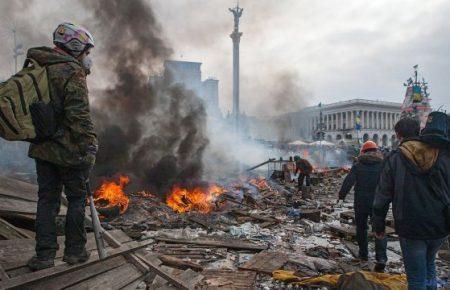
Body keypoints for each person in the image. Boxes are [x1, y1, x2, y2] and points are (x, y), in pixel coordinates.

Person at [26, 23, 98, 270]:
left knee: (47, 200)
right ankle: (75, 253)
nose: (88, 58)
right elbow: (78, 115)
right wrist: (90, 145)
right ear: (76, 47)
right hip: (69, 151)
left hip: (42, 148)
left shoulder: (39, 66)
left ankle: (44, 256)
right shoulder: (71, 71)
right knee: (77, 200)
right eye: (86, 52)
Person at [373, 113, 450, 290]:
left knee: (416, 279)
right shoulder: (440, 154)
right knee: (430, 265)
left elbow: (381, 198)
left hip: (411, 225)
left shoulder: (394, 158)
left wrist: (379, 226)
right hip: (440, 225)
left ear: (399, 135)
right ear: (419, 131)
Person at [338, 141, 387, 271]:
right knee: (379, 229)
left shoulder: (358, 165)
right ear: (376, 151)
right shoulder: (382, 165)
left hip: (361, 202)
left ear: (363, 152)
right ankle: (381, 258)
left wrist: (341, 196)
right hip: (378, 202)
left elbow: (348, 181)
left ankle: (363, 255)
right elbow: (389, 183)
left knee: (361, 228)